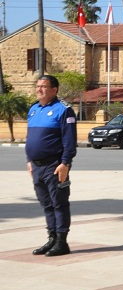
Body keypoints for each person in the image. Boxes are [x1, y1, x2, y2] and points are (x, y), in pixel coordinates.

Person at [26, 75, 77, 257]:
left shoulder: (63, 110)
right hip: (37, 167)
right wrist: (29, 161)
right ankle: (52, 238)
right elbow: (31, 139)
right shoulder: (33, 109)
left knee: (59, 204)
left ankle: (62, 242)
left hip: (54, 166)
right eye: (38, 86)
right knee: (46, 205)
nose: (39, 89)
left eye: (44, 86)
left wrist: (65, 163)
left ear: (54, 90)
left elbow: (69, 141)